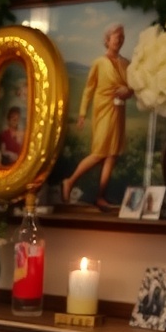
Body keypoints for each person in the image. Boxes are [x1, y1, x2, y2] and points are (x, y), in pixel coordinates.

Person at [61, 23, 133, 210]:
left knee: (112, 155)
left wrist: (128, 91)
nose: (120, 40)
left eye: (122, 37)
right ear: (107, 40)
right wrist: (82, 113)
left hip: (119, 111)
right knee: (100, 152)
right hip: (103, 110)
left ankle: (100, 196)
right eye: (117, 37)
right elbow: (89, 89)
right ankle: (70, 181)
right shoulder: (99, 63)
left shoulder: (126, 63)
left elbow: (132, 86)